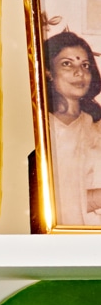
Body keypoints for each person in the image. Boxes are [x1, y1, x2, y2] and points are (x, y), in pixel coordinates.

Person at [44, 30, 101, 226]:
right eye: (67, 64)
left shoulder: (96, 127)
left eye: (85, 65)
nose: (80, 72)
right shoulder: (42, 129)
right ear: (48, 72)